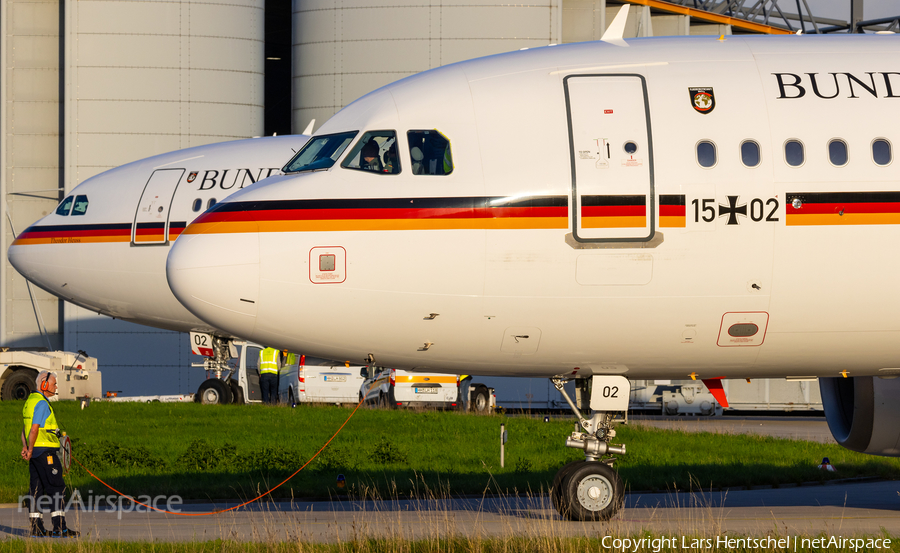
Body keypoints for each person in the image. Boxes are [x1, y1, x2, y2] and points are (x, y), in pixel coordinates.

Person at [21, 371, 79, 538]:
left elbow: (24, 429)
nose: (56, 387)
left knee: (36, 489)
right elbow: (34, 428)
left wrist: (26, 447)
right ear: (44, 385)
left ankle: (36, 529)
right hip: (45, 451)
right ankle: (60, 528)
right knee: (56, 488)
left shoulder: (29, 402)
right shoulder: (42, 403)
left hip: (35, 453)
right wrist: (30, 449)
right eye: (54, 384)